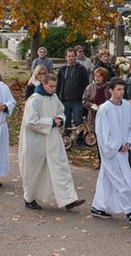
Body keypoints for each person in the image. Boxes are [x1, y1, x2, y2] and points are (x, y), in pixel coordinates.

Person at [18, 74, 85, 211]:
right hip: (35, 141)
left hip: (53, 139)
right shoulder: (34, 100)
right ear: (43, 84)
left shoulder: (53, 97)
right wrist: (52, 122)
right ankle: (29, 198)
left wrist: (60, 118)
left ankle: (68, 199)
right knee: (34, 170)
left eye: (55, 86)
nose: (54, 89)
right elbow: (31, 121)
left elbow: (61, 111)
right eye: (51, 86)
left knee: (60, 167)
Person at [90, 77, 131, 227]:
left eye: (123, 89)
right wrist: (116, 146)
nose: (121, 92)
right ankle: (129, 213)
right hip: (111, 152)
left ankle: (97, 206)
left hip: (124, 150)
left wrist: (129, 142)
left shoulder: (127, 106)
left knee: (107, 179)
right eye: (118, 89)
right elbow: (103, 132)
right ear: (111, 90)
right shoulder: (104, 109)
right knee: (121, 181)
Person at [56, 47, 90, 132]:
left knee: (78, 120)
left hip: (77, 100)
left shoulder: (82, 69)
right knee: (66, 120)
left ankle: (79, 139)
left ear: (76, 57)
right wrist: (57, 97)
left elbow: (86, 85)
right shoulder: (62, 70)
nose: (71, 58)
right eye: (69, 56)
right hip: (65, 99)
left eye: (72, 56)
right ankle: (67, 137)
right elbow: (58, 85)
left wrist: (85, 98)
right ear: (66, 57)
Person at [82, 67, 110, 135]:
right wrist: (93, 106)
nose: (97, 78)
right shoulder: (90, 87)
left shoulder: (109, 87)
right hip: (93, 115)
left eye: (99, 77)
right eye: (95, 76)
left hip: (107, 115)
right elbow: (84, 101)